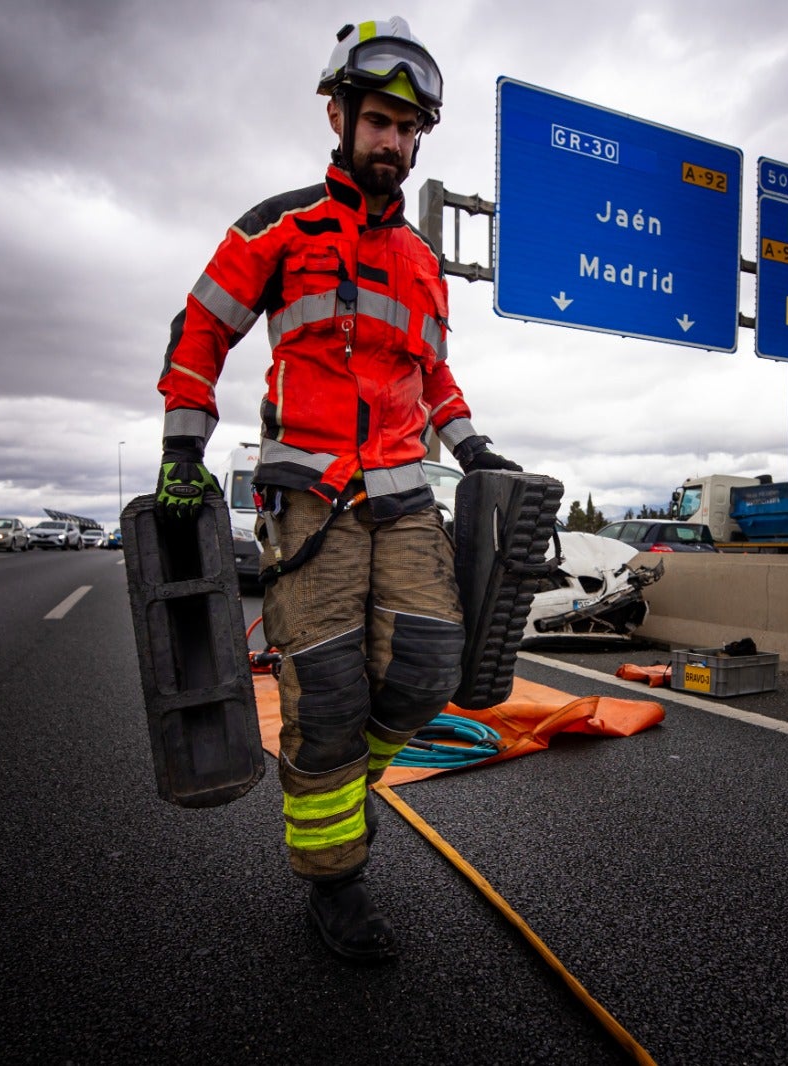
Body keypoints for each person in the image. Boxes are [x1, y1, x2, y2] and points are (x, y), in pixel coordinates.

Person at [152, 16, 519, 964]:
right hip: (311, 499)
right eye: (379, 121)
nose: (392, 141)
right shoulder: (279, 225)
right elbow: (200, 331)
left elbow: (434, 379)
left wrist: (476, 451)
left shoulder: (423, 265)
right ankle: (336, 887)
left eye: (408, 129)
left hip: (401, 494)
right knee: (323, 691)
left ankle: (351, 788)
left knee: (430, 664)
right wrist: (183, 448)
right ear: (341, 115)